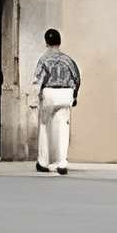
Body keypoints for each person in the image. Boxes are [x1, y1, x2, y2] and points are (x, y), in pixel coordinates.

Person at [34, 30, 82, 176]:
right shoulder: (68, 60)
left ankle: (43, 162)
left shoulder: (44, 60)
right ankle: (62, 162)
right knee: (63, 128)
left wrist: (37, 96)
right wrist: (74, 96)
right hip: (65, 94)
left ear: (46, 42)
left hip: (49, 93)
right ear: (59, 42)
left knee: (44, 126)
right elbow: (77, 78)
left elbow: (38, 80)